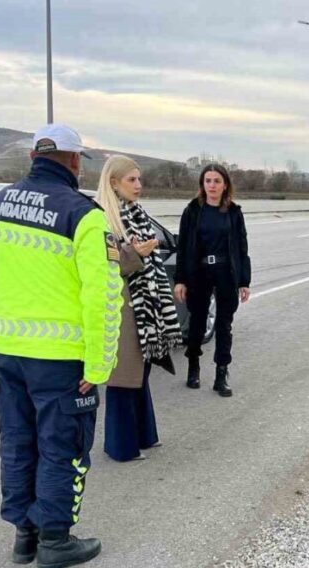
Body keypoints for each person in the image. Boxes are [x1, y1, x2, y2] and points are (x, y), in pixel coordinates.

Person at [0, 123, 123, 568]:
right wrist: (99, 364)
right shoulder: (83, 215)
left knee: (18, 443)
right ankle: (55, 540)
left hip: (8, 353)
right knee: (62, 447)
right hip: (60, 359)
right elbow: (102, 296)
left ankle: (24, 536)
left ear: (33, 157)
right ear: (75, 161)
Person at [95, 155, 183, 462]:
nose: (138, 185)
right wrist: (136, 253)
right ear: (113, 182)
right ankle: (120, 447)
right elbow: (105, 267)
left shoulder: (136, 213)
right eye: (131, 179)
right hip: (121, 309)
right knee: (124, 378)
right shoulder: (103, 218)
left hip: (144, 308)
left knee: (140, 373)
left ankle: (144, 435)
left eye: (139, 179)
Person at [173, 164, 251, 397]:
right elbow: (183, 247)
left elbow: (242, 248)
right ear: (202, 184)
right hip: (199, 272)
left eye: (217, 181)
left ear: (225, 185)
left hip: (226, 272)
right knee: (197, 322)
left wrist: (244, 281)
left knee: (224, 325)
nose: (212, 185)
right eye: (208, 181)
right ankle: (193, 367)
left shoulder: (234, 212)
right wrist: (180, 279)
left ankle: (221, 374)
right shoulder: (192, 211)